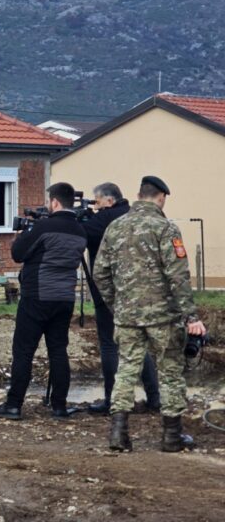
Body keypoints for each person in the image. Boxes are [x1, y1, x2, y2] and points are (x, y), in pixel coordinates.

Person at [94, 176, 207, 452]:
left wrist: (116, 304)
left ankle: (119, 435)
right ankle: (171, 436)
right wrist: (191, 317)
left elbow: (100, 274)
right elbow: (178, 276)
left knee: (126, 371)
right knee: (169, 372)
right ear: (161, 197)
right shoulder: (166, 228)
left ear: (138, 195)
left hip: (127, 316)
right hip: (162, 318)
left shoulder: (115, 227)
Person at [0, 183, 86, 420]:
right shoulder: (80, 231)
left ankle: (13, 405)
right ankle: (60, 406)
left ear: (54, 202)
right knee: (58, 350)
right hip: (64, 298)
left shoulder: (44, 226)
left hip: (37, 295)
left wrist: (26, 233)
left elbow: (18, 253)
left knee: (23, 351)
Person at [81, 182, 160, 414]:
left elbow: (80, 234)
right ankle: (154, 396)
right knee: (137, 343)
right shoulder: (131, 215)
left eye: (97, 202)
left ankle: (111, 400)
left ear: (109, 200)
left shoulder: (105, 220)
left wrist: (79, 218)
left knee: (109, 344)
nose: (95, 208)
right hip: (137, 292)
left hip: (109, 293)